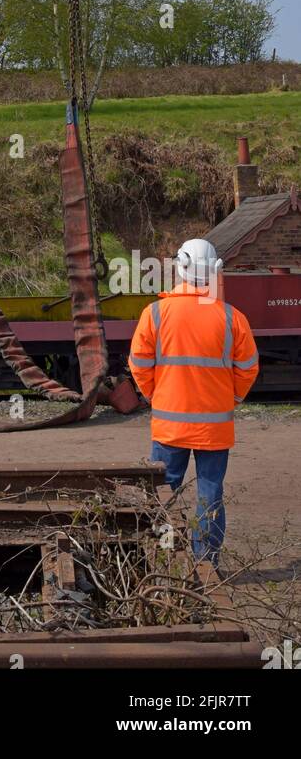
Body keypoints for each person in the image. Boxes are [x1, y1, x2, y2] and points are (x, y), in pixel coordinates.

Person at [128, 237, 259, 564]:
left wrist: (155, 396)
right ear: (215, 271)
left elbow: (139, 364)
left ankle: (163, 564)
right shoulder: (232, 318)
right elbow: (248, 368)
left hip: (169, 426)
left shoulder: (155, 313)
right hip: (213, 430)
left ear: (180, 268)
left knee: (162, 495)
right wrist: (232, 399)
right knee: (209, 495)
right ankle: (205, 564)